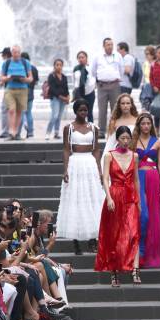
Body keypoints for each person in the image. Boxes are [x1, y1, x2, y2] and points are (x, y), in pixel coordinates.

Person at [56, 98, 104, 255]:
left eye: (86, 110)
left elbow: (96, 149)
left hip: (89, 164)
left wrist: (99, 169)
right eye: (81, 110)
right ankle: (76, 241)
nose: (84, 113)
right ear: (75, 111)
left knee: (91, 199)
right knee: (76, 200)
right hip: (75, 164)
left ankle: (92, 239)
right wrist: (65, 169)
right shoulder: (68, 128)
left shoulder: (94, 128)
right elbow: (65, 149)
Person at [95, 126, 141, 287]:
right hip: (114, 196)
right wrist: (108, 198)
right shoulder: (109, 156)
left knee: (133, 233)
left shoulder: (135, 156)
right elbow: (105, 178)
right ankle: (114, 272)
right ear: (117, 139)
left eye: (128, 138)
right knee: (114, 235)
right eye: (123, 138)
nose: (126, 141)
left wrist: (139, 200)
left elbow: (136, 180)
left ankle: (135, 269)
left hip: (130, 197)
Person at [133, 112, 160, 268]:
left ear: (152, 125)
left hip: (153, 178)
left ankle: (150, 254)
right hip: (138, 178)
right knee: (142, 214)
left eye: (148, 123)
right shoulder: (132, 141)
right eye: (143, 123)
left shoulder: (158, 142)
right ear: (139, 125)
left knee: (153, 216)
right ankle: (140, 250)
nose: (146, 126)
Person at [0, 45, 33, 140]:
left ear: (20, 52)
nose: (16, 54)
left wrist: (25, 79)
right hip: (10, 89)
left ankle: (16, 132)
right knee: (11, 110)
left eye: (18, 52)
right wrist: (8, 78)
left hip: (22, 89)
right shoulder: (7, 63)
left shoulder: (25, 63)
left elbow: (31, 78)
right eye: (14, 52)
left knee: (19, 112)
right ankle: (11, 131)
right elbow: (1, 77)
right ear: (11, 53)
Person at [91, 38, 123, 139]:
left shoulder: (117, 56)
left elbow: (121, 69)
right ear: (104, 46)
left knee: (115, 109)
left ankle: (115, 130)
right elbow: (93, 70)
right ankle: (101, 131)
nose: (110, 46)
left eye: (111, 44)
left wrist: (115, 78)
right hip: (102, 86)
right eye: (108, 45)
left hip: (114, 85)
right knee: (102, 109)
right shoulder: (98, 56)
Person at [45, 59, 70, 140]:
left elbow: (66, 88)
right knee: (54, 115)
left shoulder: (64, 77)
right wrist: (61, 97)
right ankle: (48, 133)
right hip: (55, 98)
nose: (59, 66)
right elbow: (52, 89)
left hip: (63, 99)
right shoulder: (51, 76)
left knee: (59, 116)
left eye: (60, 65)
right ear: (54, 66)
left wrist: (68, 97)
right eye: (57, 65)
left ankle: (56, 133)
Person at [17, 52, 38, 138]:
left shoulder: (21, 67)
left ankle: (21, 127)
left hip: (22, 91)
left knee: (21, 112)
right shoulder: (34, 68)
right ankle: (30, 132)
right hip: (31, 92)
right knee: (29, 112)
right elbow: (36, 81)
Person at [73, 50, 96, 123]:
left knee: (89, 112)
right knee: (79, 112)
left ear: (86, 58)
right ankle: (80, 127)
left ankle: (91, 128)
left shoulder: (90, 67)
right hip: (80, 93)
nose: (81, 59)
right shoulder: (76, 69)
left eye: (83, 57)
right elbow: (75, 81)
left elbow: (94, 79)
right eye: (79, 58)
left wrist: (91, 88)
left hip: (89, 92)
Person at [0, 47, 11, 139]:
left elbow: (4, 77)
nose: (1, 56)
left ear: (6, 55)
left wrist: (1, 82)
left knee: (5, 110)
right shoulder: (16, 62)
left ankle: (5, 131)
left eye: (3, 54)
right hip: (18, 89)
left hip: (9, 89)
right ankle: (15, 130)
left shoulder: (6, 63)